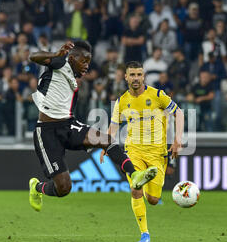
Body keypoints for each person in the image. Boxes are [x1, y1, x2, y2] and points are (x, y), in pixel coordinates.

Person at [27, 41, 158, 215]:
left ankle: (135, 175)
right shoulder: (60, 63)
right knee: (64, 188)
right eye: (84, 61)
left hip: (67, 124)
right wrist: (55, 55)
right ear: (72, 58)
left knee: (106, 140)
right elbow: (33, 57)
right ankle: (37, 187)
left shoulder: (72, 78)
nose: (87, 66)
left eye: (89, 62)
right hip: (47, 131)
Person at [100, 61, 184, 242]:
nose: (136, 78)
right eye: (132, 75)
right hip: (133, 151)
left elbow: (180, 113)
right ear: (126, 77)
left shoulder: (157, 95)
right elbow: (114, 125)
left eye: (139, 74)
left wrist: (178, 139)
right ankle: (144, 233)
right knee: (135, 188)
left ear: (143, 76)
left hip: (157, 153)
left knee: (153, 199)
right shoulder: (122, 101)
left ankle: (145, 180)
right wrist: (105, 146)